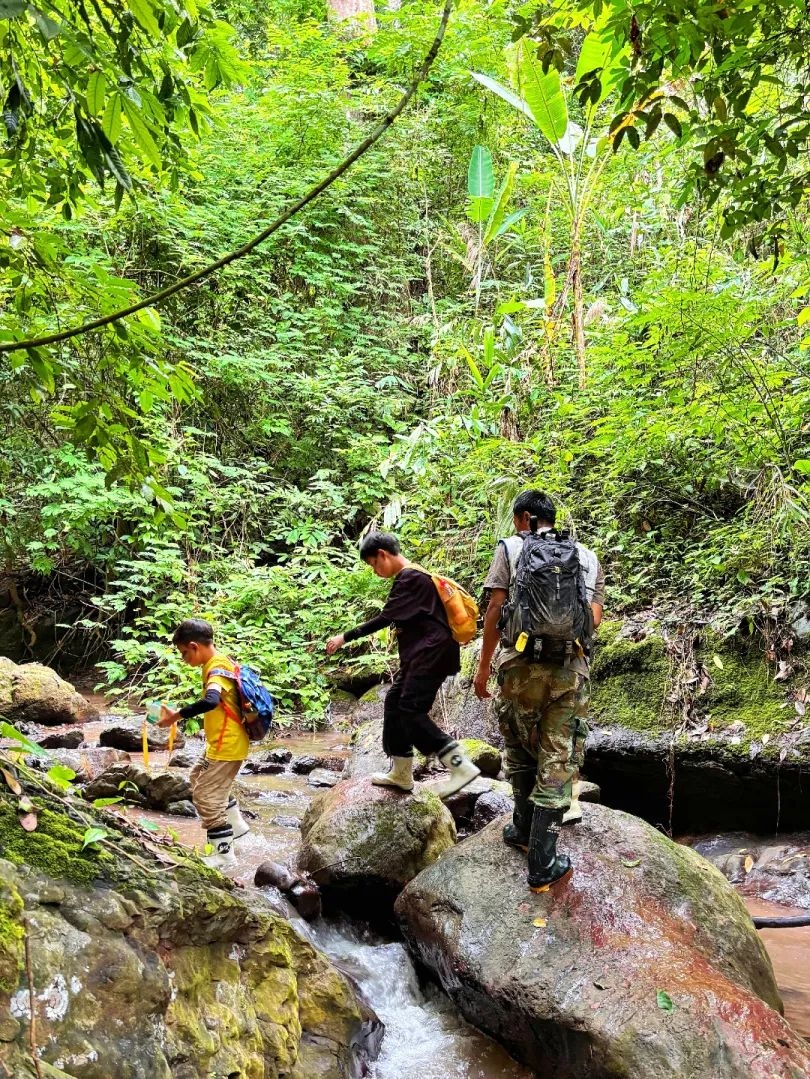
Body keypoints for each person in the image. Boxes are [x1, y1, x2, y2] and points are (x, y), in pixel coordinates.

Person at [473, 490, 605, 891]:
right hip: (568, 670)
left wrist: (482, 668)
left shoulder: (511, 548)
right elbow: (594, 618)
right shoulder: (586, 556)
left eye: (516, 518)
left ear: (525, 517)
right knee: (558, 758)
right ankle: (543, 861)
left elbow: (495, 610)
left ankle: (520, 827)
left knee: (518, 745)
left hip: (518, 668)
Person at [326, 531, 480, 798]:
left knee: (410, 710)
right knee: (394, 701)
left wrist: (344, 637)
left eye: (374, 564)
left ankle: (460, 765)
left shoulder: (410, 578)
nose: (375, 571)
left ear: (383, 554)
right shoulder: (417, 577)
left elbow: (386, 618)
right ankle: (401, 772)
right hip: (424, 655)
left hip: (430, 654)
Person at [159, 618, 251, 874]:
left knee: (205, 797)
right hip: (221, 744)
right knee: (198, 777)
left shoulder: (217, 666)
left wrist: (175, 716)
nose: (184, 658)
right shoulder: (218, 662)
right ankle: (235, 825)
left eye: (184, 653)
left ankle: (223, 855)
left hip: (228, 745)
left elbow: (211, 700)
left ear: (193, 646)